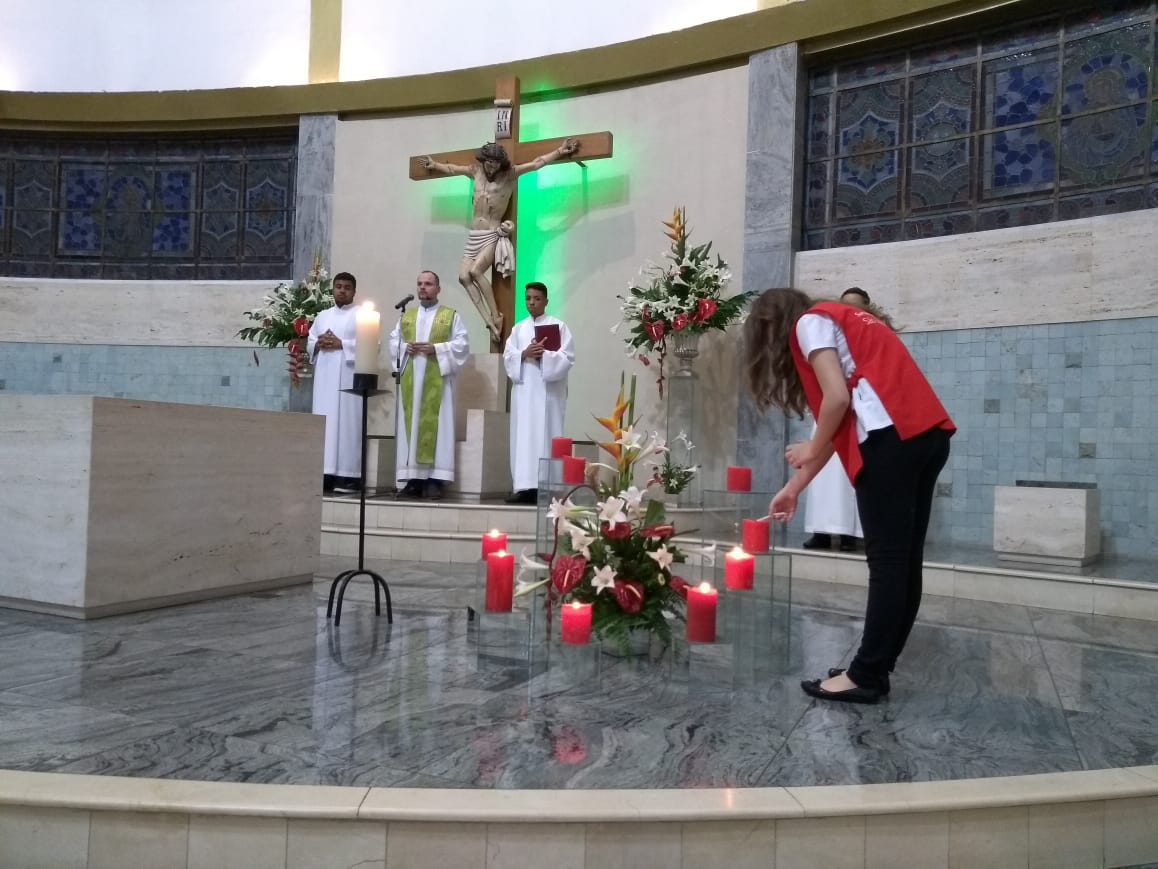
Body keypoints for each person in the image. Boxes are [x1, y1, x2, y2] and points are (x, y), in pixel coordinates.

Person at [745, 288, 954, 704]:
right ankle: (876, 667)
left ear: (771, 324)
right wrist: (794, 488)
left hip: (891, 442)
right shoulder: (847, 320)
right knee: (904, 562)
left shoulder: (809, 323)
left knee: (889, 564)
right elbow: (841, 424)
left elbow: (837, 400)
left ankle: (866, 674)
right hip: (924, 437)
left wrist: (806, 448)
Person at [418, 139, 580, 343]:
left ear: (500, 162)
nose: (491, 166)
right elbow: (452, 169)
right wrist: (436, 166)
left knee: (475, 272)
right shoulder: (475, 171)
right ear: (484, 160)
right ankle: (489, 320)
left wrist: (559, 151)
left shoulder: (509, 175)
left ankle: (495, 315)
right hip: (474, 235)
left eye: (495, 162)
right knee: (463, 277)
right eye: (488, 161)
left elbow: (537, 162)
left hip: (491, 233)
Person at [801, 288, 882, 551]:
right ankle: (822, 530)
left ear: (867, 307)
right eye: (844, 305)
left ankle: (849, 533)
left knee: (850, 476)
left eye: (855, 306)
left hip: (856, 411)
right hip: (831, 406)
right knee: (822, 475)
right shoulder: (828, 328)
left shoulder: (873, 330)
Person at [388, 270, 470, 500]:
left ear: (438, 288)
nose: (423, 287)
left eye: (428, 284)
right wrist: (406, 349)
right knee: (411, 427)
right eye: (420, 284)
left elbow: (462, 345)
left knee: (439, 427)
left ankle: (435, 480)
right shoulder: (406, 316)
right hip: (411, 382)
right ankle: (413, 480)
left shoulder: (450, 316)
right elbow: (394, 341)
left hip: (438, 383)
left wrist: (437, 349)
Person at [502, 281, 575, 504]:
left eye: (536, 298)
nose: (531, 302)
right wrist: (524, 354)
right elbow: (508, 357)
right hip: (524, 393)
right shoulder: (518, 329)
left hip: (547, 394)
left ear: (545, 301)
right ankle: (523, 487)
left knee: (545, 435)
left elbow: (567, 357)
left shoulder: (558, 326)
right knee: (523, 437)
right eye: (528, 298)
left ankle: (545, 488)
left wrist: (544, 355)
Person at [308, 271, 362, 495]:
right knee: (325, 423)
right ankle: (324, 474)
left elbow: (370, 343)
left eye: (347, 287)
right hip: (324, 379)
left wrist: (343, 344)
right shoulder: (322, 316)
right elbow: (311, 341)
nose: (342, 290)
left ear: (354, 292)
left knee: (347, 425)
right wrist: (319, 343)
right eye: (338, 286)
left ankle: (348, 476)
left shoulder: (362, 315)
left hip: (347, 378)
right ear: (332, 289)